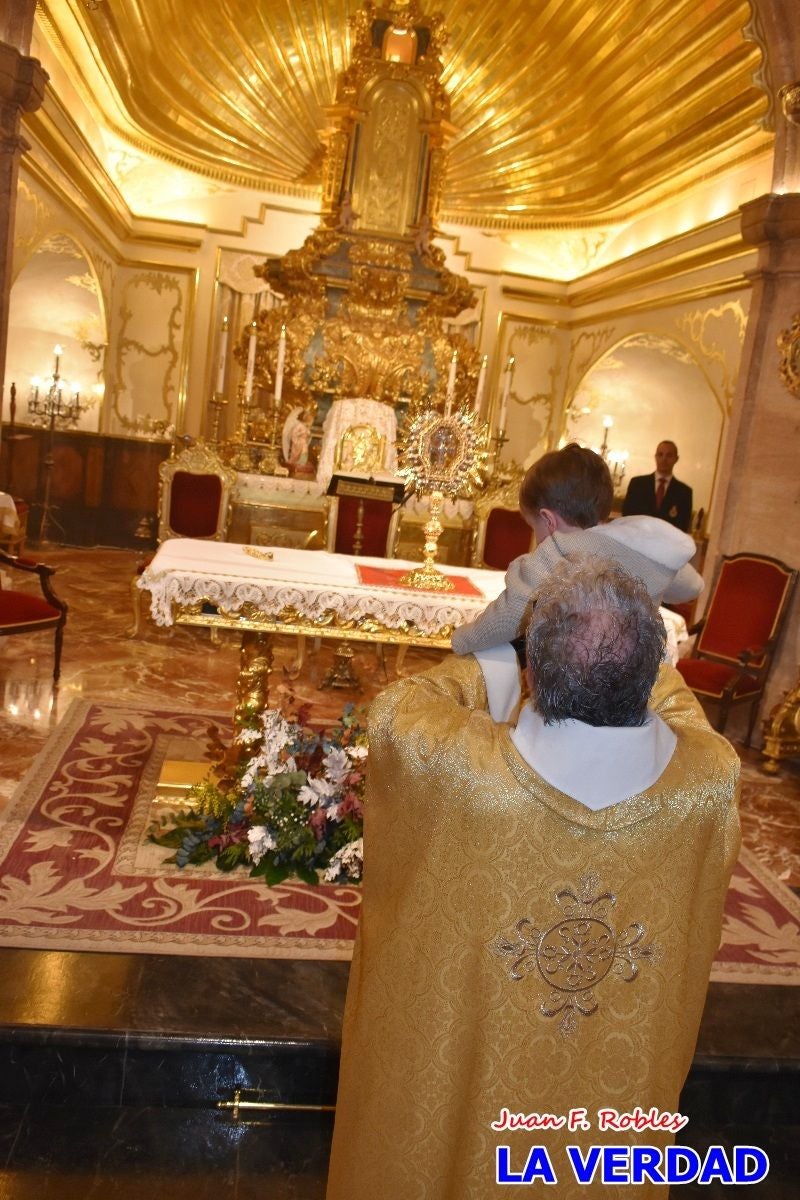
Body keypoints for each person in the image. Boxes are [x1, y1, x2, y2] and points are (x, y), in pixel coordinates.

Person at [325, 556, 740, 1200]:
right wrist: (619, 645)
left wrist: (495, 649)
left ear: (533, 675)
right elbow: (676, 703)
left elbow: (398, 710)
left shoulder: (456, 769)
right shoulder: (708, 782)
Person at [452, 443, 702, 657]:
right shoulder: (637, 546)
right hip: (635, 683)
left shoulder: (557, 554)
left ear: (548, 520)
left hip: (575, 683)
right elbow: (692, 586)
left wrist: (459, 639)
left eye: (534, 527)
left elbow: (505, 619)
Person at [622, 440, 693, 531]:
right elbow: (627, 515)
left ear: (676, 459)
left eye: (669, 455)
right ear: (655, 457)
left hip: (666, 543)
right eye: (660, 454)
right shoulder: (637, 484)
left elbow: (682, 526)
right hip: (637, 539)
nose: (664, 459)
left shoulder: (684, 492)